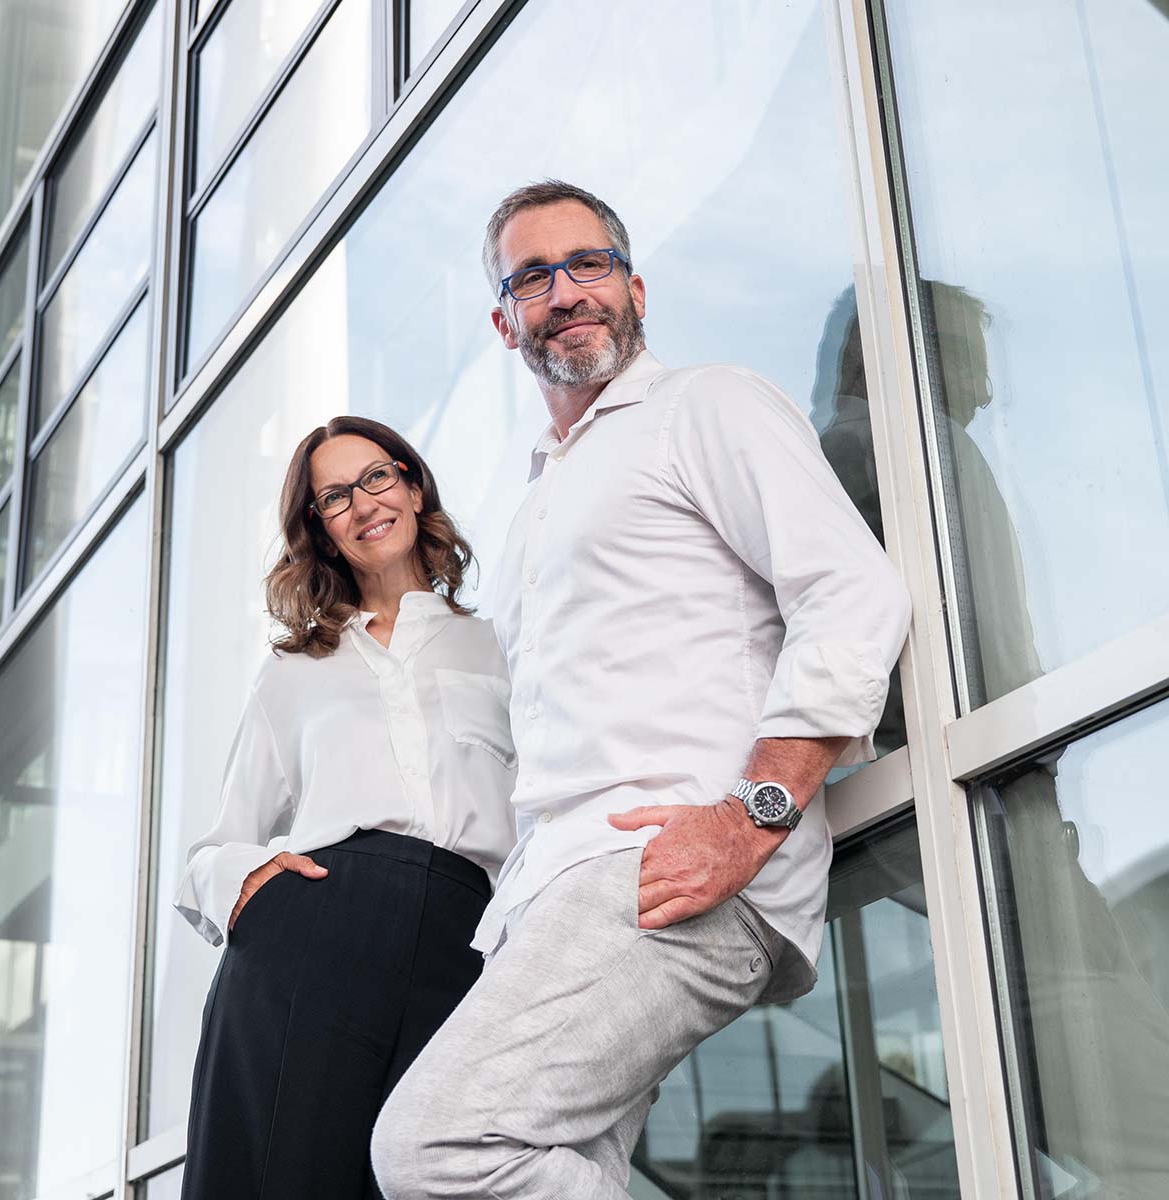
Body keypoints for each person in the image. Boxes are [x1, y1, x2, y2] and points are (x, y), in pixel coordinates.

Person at [370, 180, 912, 1199]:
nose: (567, 291)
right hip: (556, 890)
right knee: (553, 1166)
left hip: (658, 870)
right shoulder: (534, 508)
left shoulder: (705, 405)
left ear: (636, 289)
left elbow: (852, 593)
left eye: (590, 264)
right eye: (534, 278)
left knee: (437, 1146)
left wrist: (751, 817)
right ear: (505, 322)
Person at [173, 416, 517, 1200]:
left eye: (376, 478)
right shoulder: (294, 672)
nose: (363, 504)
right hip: (317, 929)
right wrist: (256, 883)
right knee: (287, 1174)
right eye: (335, 497)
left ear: (412, 486)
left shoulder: (501, 648)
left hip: (468, 939)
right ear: (322, 529)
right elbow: (216, 845)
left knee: (435, 1175)